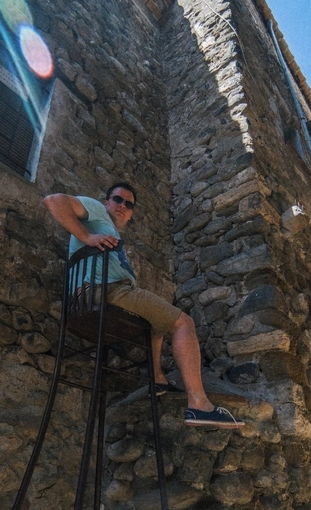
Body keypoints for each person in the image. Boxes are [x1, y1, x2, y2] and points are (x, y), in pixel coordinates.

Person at [43, 183, 244, 429]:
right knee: (184, 322)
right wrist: (87, 237)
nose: (122, 206)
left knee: (156, 322)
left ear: (131, 214)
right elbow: (53, 200)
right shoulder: (96, 210)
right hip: (105, 291)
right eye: (117, 199)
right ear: (106, 202)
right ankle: (199, 404)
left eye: (129, 205)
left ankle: (158, 378)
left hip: (96, 295)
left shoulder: (108, 229)